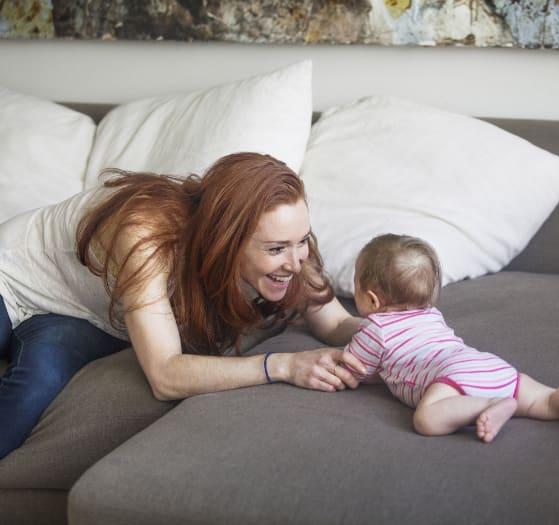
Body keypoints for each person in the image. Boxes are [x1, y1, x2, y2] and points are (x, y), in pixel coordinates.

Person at [0, 152, 366, 459]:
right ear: (225, 241)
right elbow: (165, 375)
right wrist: (284, 366)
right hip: (13, 275)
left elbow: (334, 323)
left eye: (301, 240)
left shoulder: (290, 246)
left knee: (35, 388)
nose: (295, 261)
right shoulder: (145, 232)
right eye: (275, 249)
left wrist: (401, 331)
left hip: (78, 313)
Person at [344, 234, 559, 444]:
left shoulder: (374, 329)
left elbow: (353, 370)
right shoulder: (431, 314)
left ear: (371, 299)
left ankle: (489, 404)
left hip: (449, 377)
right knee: (545, 402)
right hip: (486, 364)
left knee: (426, 419)